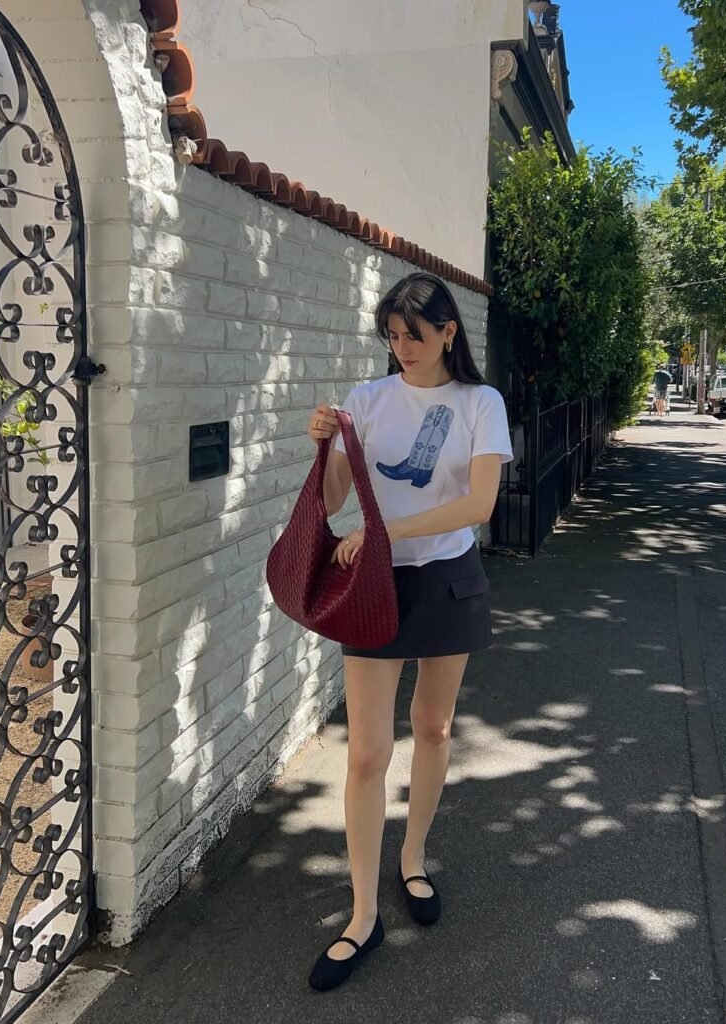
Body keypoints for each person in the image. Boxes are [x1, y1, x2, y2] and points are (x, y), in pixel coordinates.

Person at [306, 272, 513, 991]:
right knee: (366, 753)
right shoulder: (367, 400)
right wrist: (325, 445)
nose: (401, 349)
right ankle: (362, 916)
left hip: (448, 580)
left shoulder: (480, 403)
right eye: (391, 336)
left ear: (448, 331)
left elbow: (479, 504)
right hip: (374, 584)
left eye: (414, 336)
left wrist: (386, 529)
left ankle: (413, 858)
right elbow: (335, 500)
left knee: (433, 728)